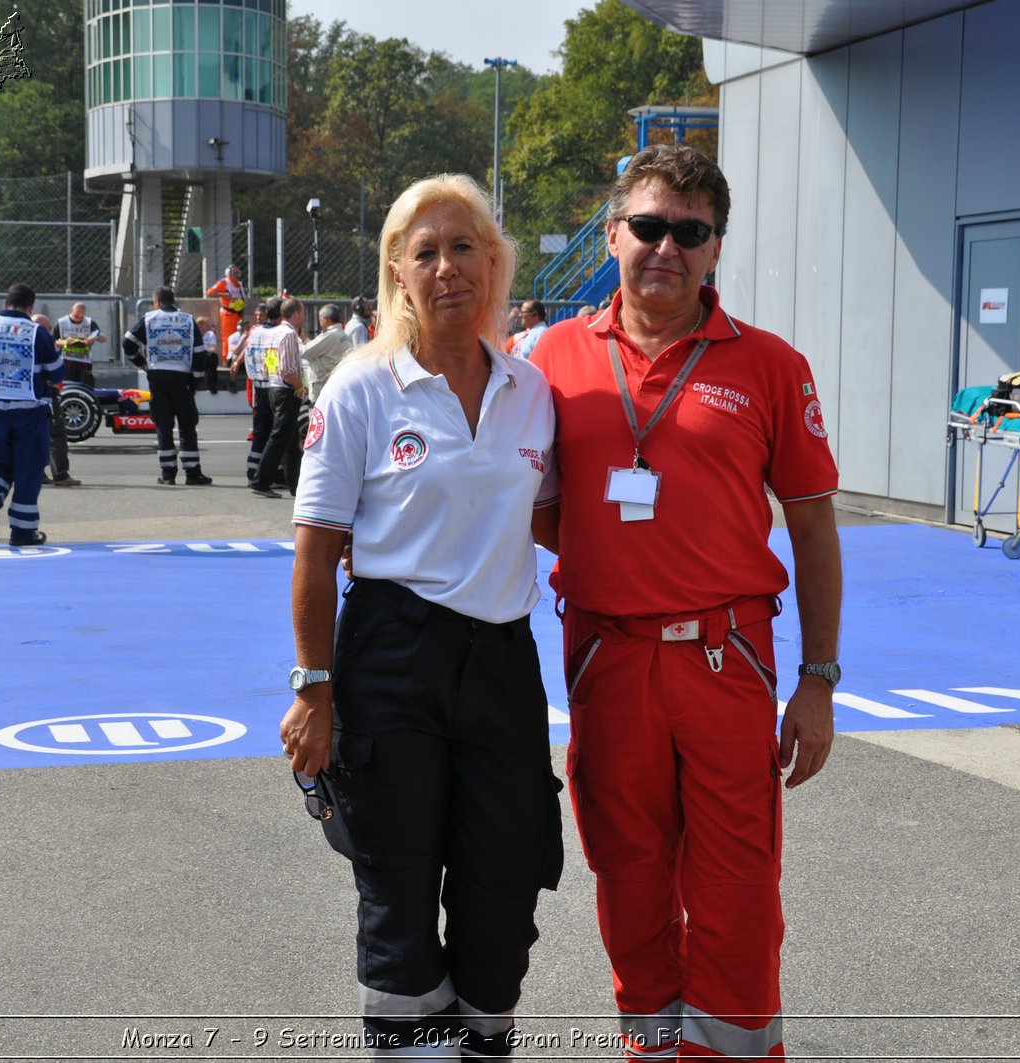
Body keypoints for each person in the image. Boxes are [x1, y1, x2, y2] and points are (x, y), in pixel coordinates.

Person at [528, 144, 842, 1061]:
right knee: (627, 880)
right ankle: (654, 1050)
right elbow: (529, 505)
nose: (667, 247)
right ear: (613, 231)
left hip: (726, 659)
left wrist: (818, 680)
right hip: (606, 658)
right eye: (650, 226)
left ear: (715, 249)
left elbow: (815, 530)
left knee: (739, 889)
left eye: (691, 232)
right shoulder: (552, 357)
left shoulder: (771, 366)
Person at [282, 173, 562, 1061]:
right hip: (392, 658)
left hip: (504, 663)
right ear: (399, 274)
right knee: (398, 886)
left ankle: (482, 1041)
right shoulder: (361, 389)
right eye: (427, 252)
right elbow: (316, 550)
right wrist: (314, 688)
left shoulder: (532, 391)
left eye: (465, 247)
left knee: (506, 882)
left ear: (495, 263)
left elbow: (551, 515)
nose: (449, 267)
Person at [0, 283, 63, 547]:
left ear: (5, 303)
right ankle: (22, 531)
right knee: (29, 469)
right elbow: (56, 373)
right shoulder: (36, 333)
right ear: (31, 307)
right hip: (28, 413)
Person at [122, 286, 213, 486]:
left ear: (156, 301)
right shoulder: (188, 320)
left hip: (157, 376)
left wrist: (142, 363)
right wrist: (195, 381)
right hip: (182, 378)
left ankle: (167, 474)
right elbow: (200, 354)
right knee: (187, 425)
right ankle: (192, 473)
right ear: (174, 301)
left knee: (163, 425)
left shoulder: (149, 318)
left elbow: (127, 342)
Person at [245, 297, 303, 499]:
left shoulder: (272, 332)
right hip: (285, 389)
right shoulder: (287, 334)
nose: (303, 317)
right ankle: (260, 480)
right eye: (302, 313)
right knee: (279, 437)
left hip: (272, 387)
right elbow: (287, 369)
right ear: (295, 314)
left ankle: (297, 486)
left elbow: (271, 363)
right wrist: (299, 387)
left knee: (291, 442)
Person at [231, 301, 278, 486]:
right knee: (269, 430)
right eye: (256, 315)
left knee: (262, 429)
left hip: (260, 381)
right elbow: (251, 351)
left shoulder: (256, 332)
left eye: (261, 315)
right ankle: (263, 471)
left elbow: (249, 349)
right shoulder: (273, 333)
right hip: (269, 383)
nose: (258, 318)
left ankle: (255, 469)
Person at [34, 313, 81, 488]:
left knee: (35, 435)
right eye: (47, 328)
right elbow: (56, 371)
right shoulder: (45, 344)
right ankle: (60, 474)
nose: (49, 331)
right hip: (47, 392)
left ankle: (38, 473)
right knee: (57, 434)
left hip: (29, 395)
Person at [300, 302, 352, 404]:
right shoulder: (343, 334)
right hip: (336, 385)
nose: (319, 321)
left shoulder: (329, 336)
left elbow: (306, 352)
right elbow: (316, 348)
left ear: (326, 319)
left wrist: (299, 341)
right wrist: (305, 339)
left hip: (322, 388)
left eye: (320, 319)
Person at [51, 302, 106, 387]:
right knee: (67, 387)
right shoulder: (61, 323)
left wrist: (95, 337)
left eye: (81, 317)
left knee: (86, 387)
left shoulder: (89, 322)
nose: (78, 320)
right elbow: (52, 342)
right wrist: (66, 342)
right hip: (66, 361)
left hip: (84, 362)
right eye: (76, 316)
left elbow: (103, 338)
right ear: (71, 311)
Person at [206, 262, 248, 347]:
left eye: (238, 273)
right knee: (228, 337)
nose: (237, 275)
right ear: (228, 274)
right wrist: (223, 295)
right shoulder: (223, 283)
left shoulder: (239, 284)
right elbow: (209, 292)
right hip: (228, 314)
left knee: (239, 336)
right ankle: (226, 359)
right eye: (234, 273)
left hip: (239, 314)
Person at [197, 314, 221, 394]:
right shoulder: (194, 334)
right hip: (197, 356)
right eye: (206, 324)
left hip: (206, 356)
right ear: (200, 325)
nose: (208, 326)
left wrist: (204, 351)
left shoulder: (210, 334)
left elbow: (213, 349)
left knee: (213, 357)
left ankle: (212, 386)